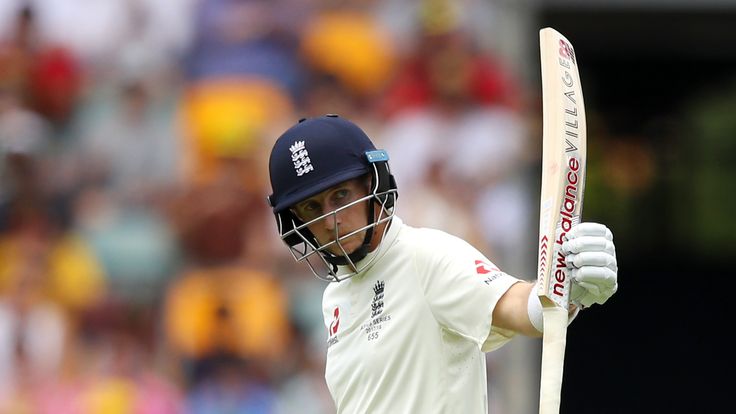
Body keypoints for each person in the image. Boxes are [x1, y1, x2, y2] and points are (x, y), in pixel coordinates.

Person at [266, 114, 618, 413]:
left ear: (373, 184)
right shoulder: (334, 298)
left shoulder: (426, 255)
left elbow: (522, 308)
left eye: (340, 195)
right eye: (312, 208)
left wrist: (568, 288)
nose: (330, 220)